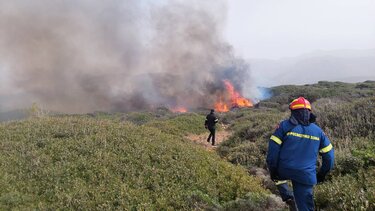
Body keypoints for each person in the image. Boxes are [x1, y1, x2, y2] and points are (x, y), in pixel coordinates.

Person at [266, 97, 335, 211]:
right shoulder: (318, 131)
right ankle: (298, 203)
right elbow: (329, 157)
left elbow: (273, 153)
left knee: (277, 174)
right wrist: (321, 174)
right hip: (306, 174)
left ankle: (288, 197)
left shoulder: (284, 126)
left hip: (284, 170)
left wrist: (273, 171)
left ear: (292, 111)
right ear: (309, 112)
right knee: (305, 207)